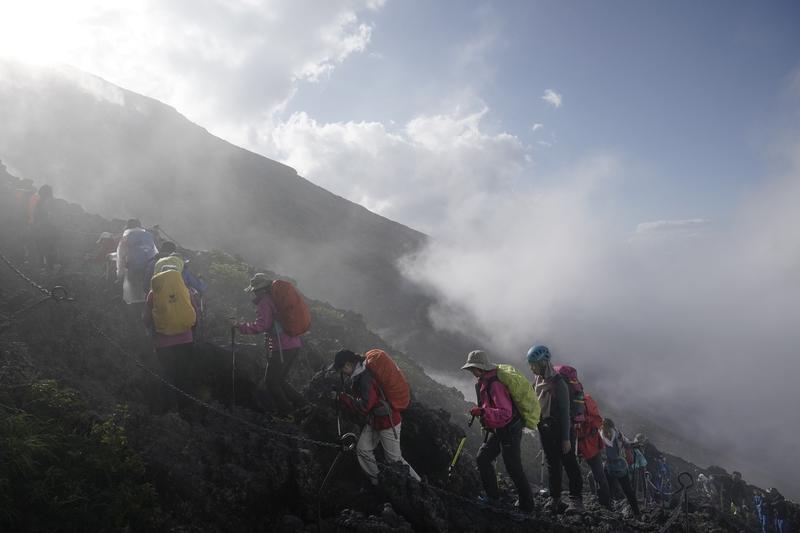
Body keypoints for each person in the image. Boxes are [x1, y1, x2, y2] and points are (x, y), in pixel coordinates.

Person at [328, 349, 420, 486]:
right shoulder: (360, 372)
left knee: (394, 460)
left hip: (388, 422)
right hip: (376, 420)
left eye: (341, 369)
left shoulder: (365, 377)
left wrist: (342, 397)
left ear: (348, 365)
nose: (342, 373)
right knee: (363, 450)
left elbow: (365, 405)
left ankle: (419, 485)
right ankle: (377, 482)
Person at [460, 350, 534, 512]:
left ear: (480, 368)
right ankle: (493, 497)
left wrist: (483, 412)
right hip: (500, 428)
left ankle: (527, 507)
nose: (471, 372)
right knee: (483, 458)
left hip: (509, 429)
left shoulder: (495, 384)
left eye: (473, 368)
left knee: (514, 468)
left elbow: (505, 412)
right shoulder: (485, 380)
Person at [230, 273, 305, 417]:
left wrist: (239, 326)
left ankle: (287, 413)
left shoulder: (265, 301)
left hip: (282, 346)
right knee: (279, 380)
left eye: (254, 289)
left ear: (260, 289)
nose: (253, 292)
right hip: (293, 343)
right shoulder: (276, 299)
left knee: (271, 381)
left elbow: (262, 325)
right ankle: (303, 405)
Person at [527, 345, 583, 514]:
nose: (531, 368)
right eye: (530, 364)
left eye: (534, 364)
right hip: (545, 428)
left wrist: (566, 438)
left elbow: (566, 413)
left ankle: (576, 501)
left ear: (544, 363)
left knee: (569, 463)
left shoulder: (559, 383)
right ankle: (555, 499)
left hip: (561, 429)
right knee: (552, 464)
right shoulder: (537, 381)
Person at [142, 263, 196, 414]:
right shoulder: (186, 291)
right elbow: (195, 314)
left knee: (166, 375)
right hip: (186, 340)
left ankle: (166, 410)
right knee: (183, 375)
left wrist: (151, 332)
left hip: (163, 343)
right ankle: (185, 409)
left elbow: (145, 318)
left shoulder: (153, 294)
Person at [600, 418, 641, 517]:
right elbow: (627, 444)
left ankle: (608, 511)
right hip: (621, 466)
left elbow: (598, 451)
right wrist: (634, 444)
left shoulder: (599, 435)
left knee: (607, 489)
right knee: (628, 490)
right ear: (612, 425)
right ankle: (637, 513)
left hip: (608, 467)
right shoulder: (618, 434)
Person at [116, 219, 158, 304]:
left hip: (133, 268)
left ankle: (136, 311)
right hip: (148, 269)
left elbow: (121, 257)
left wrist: (120, 274)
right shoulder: (148, 236)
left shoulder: (126, 237)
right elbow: (155, 253)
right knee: (146, 292)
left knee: (134, 293)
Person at [30, 184, 59, 273]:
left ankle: (47, 267)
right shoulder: (45, 201)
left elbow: (48, 216)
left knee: (45, 248)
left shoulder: (47, 202)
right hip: (45, 229)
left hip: (44, 230)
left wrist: (38, 224)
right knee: (44, 248)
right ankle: (46, 266)